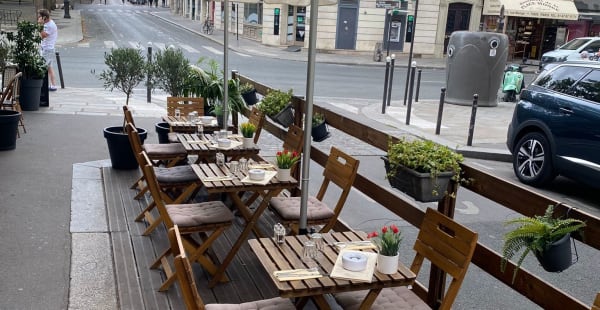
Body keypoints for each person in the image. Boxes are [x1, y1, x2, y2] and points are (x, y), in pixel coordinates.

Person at [38, 9, 58, 91]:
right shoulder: (47, 23)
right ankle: (53, 85)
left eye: (39, 16)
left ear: (44, 17)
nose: (38, 17)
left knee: (41, 68)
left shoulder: (50, 25)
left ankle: (41, 86)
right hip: (47, 48)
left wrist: (40, 25)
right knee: (49, 67)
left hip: (48, 49)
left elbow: (42, 36)